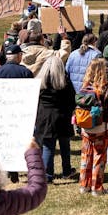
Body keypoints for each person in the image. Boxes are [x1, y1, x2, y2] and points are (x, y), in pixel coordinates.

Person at [34, 50, 76, 182]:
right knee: (65, 145)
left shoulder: (40, 84)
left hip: (45, 117)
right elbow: (72, 100)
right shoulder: (65, 83)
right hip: (62, 117)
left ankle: (48, 174)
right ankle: (66, 170)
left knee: (48, 146)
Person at [77, 59, 108, 195]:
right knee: (99, 156)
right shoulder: (105, 87)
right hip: (101, 126)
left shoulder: (84, 87)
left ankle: (84, 185)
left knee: (86, 155)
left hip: (85, 125)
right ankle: (96, 187)